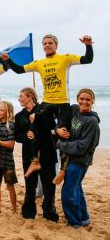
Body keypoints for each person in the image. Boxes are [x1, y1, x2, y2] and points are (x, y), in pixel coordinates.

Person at [2, 34, 94, 179]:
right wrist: (7, 60)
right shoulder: (39, 63)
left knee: (63, 133)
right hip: (47, 102)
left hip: (62, 103)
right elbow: (19, 70)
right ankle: (35, 161)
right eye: (44, 43)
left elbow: (88, 59)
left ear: (56, 45)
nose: (47, 45)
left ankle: (62, 171)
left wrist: (88, 45)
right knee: (34, 127)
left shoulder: (66, 58)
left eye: (50, 43)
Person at [57, 88, 100, 228]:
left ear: (93, 101)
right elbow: (61, 115)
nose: (84, 102)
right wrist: (58, 129)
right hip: (70, 157)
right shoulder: (74, 109)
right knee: (76, 189)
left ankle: (74, 222)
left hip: (81, 161)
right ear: (77, 99)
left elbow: (82, 146)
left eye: (88, 100)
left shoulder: (92, 121)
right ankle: (84, 218)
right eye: (82, 99)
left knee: (68, 192)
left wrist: (62, 145)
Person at [15, 87, 59, 222]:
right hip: (28, 153)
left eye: (21, 96)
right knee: (30, 185)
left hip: (46, 152)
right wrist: (26, 135)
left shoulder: (43, 110)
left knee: (49, 185)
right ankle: (28, 212)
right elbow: (17, 136)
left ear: (30, 97)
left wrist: (38, 118)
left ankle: (49, 213)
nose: (19, 99)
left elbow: (52, 125)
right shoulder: (19, 116)